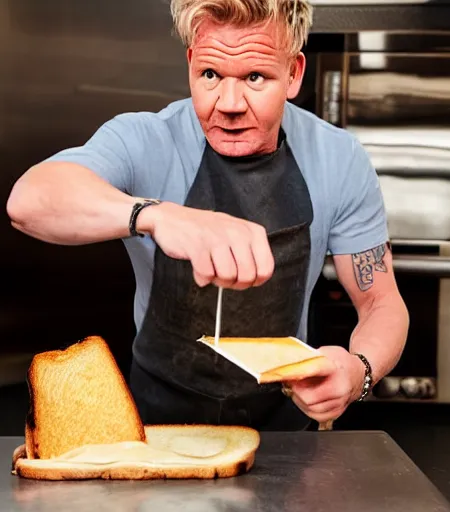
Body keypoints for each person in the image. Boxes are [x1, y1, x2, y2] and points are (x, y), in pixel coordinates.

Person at [6, 0, 409, 431]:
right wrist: (157, 215)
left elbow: (381, 303)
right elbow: (29, 202)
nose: (229, 103)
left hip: (286, 433)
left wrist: (358, 372)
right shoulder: (146, 139)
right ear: (191, 64)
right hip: (154, 430)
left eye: (255, 77)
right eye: (210, 75)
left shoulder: (338, 159)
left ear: (293, 74)